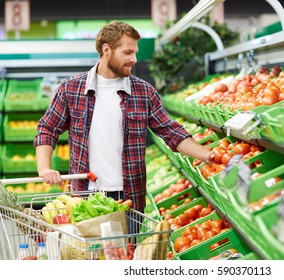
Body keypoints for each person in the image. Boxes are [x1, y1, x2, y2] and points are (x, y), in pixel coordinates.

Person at [33, 21, 214, 234]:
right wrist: (44, 168)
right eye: (128, 52)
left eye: (135, 52)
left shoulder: (143, 92)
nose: (134, 59)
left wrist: (208, 156)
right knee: (90, 259)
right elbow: (47, 128)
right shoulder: (72, 89)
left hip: (129, 198)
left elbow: (171, 132)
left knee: (127, 256)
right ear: (106, 50)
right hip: (84, 196)